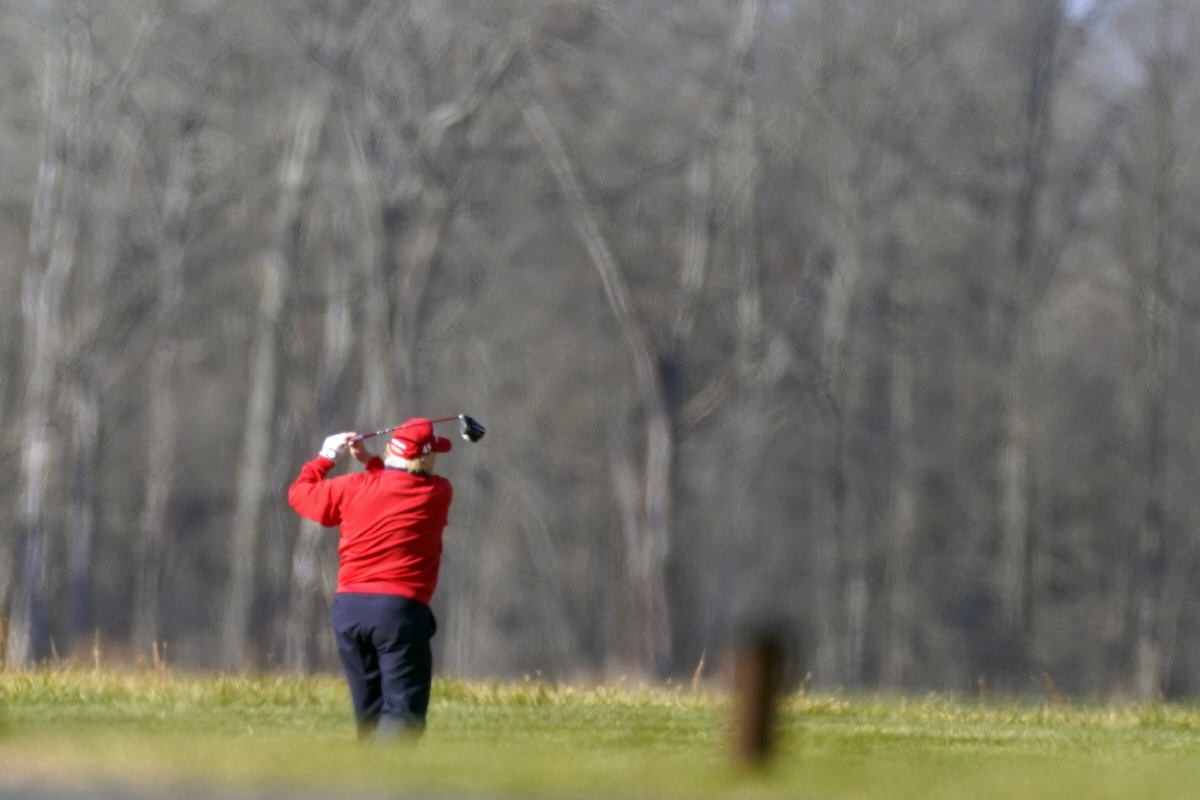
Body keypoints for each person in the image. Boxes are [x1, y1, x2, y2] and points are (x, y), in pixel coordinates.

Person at [288, 418, 454, 740]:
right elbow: (395, 487)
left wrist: (326, 456)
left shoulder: (352, 488)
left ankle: (363, 782)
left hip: (349, 610)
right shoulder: (438, 492)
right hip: (399, 612)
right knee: (403, 714)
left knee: (369, 714)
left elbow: (300, 494)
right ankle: (387, 784)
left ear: (392, 447)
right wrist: (370, 462)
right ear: (427, 458)